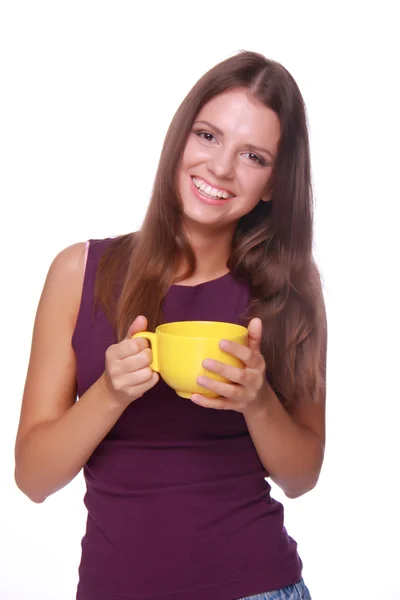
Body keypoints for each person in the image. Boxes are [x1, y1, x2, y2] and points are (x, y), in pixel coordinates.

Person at [15, 50, 327, 600]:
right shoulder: (79, 272)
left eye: (253, 156)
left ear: (275, 183)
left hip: (260, 586)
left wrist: (257, 399)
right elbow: (33, 480)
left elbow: (302, 478)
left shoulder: (291, 287)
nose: (222, 168)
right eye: (208, 136)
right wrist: (110, 393)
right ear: (180, 137)